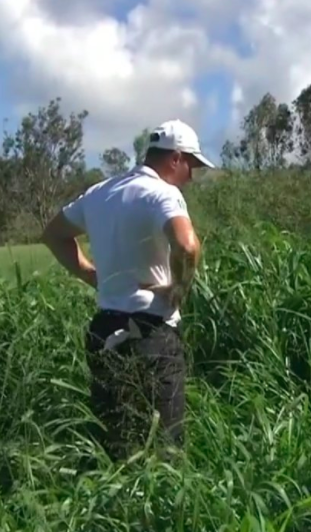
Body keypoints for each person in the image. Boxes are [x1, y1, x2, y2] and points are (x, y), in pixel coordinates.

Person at [40, 119, 211, 461]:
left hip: (104, 332)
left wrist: (92, 275)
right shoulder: (163, 193)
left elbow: (54, 234)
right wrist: (177, 290)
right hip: (152, 334)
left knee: (115, 444)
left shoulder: (101, 192)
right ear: (175, 159)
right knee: (167, 448)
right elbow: (188, 246)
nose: (192, 176)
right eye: (192, 166)